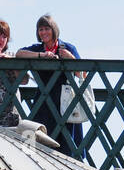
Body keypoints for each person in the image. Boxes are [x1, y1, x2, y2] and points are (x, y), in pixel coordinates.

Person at [15, 15, 85, 158]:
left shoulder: (68, 48)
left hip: (64, 102)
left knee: (67, 146)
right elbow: (19, 53)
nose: (43, 32)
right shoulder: (38, 48)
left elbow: (83, 75)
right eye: (40, 29)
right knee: (35, 142)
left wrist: (70, 58)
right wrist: (42, 55)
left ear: (54, 30)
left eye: (47, 29)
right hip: (43, 101)